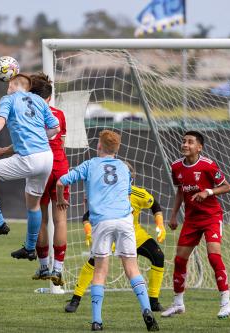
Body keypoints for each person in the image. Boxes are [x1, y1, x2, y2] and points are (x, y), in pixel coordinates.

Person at [56, 130, 159, 332]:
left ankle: (97, 321)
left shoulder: (89, 164)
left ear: (99, 146)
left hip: (102, 221)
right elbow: (125, 193)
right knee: (132, 269)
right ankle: (146, 310)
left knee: (100, 270)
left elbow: (61, 181)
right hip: (124, 220)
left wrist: (61, 199)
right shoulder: (123, 167)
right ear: (117, 149)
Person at [0, 74, 60, 260]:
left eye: (10, 83)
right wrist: (38, 137)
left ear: (13, 84)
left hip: (28, 158)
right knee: (33, 205)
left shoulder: (8, 99)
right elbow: (55, 128)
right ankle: (29, 248)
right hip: (46, 158)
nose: (7, 86)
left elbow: (0, 120)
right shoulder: (38, 100)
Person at [0, 73, 69, 284]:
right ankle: (59, 269)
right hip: (60, 166)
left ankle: (44, 267)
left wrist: (4, 151)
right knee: (60, 220)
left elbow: (30, 139)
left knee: (41, 217)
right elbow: (59, 143)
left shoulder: (29, 109)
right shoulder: (59, 115)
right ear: (49, 96)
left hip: (39, 165)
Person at [64, 162, 166, 313]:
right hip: (111, 234)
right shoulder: (106, 195)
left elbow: (154, 205)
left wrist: (160, 224)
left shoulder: (138, 193)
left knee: (158, 256)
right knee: (94, 262)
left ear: (129, 179)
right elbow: (87, 215)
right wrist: (88, 231)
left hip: (134, 234)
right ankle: (75, 299)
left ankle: (153, 301)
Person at [162, 131, 230, 319]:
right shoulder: (176, 166)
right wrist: (174, 215)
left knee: (214, 257)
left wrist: (207, 192)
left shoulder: (208, 165)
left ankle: (226, 303)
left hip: (211, 217)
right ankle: (178, 303)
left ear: (199, 147)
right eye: (184, 141)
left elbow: (227, 186)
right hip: (191, 220)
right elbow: (179, 191)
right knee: (179, 260)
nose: (185, 144)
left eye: (190, 142)